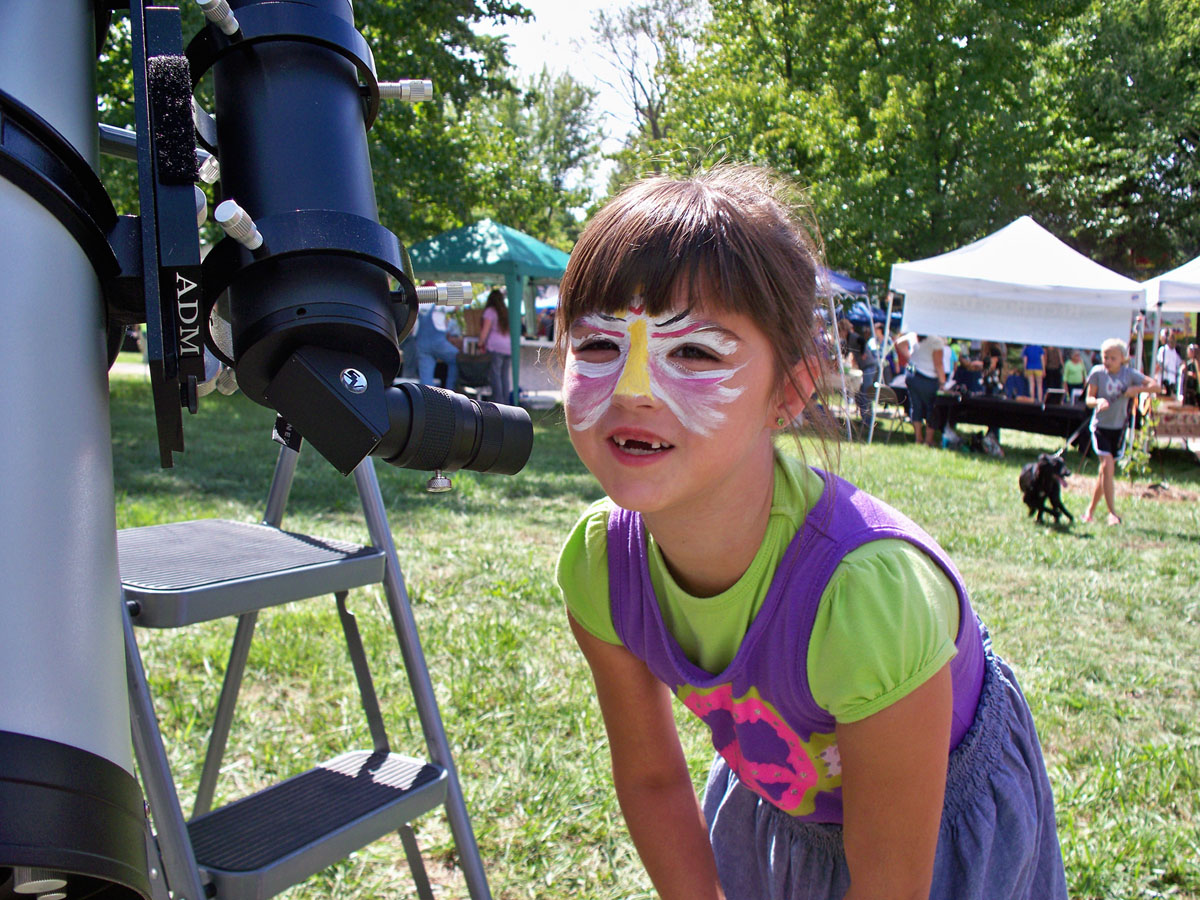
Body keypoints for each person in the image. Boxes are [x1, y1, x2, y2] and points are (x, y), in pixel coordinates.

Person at [554, 166, 1066, 900]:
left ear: (788, 394)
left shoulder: (866, 596)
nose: (633, 387)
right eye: (598, 345)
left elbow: (892, 883)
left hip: (939, 819)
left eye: (694, 351)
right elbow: (651, 776)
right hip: (779, 795)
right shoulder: (599, 567)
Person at [1083, 338, 1160, 525]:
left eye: (1112, 358)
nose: (1107, 361)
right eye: (1105, 357)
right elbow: (1089, 399)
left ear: (1123, 359)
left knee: (1105, 473)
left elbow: (1156, 386)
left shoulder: (1129, 374)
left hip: (1118, 428)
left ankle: (1090, 510)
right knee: (1107, 467)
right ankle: (1112, 514)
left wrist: (1137, 389)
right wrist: (1098, 402)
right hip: (1100, 427)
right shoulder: (1097, 373)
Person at [907, 333, 946, 446]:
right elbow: (938, 363)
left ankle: (918, 438)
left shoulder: (914, 336)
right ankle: (928, 440)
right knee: (932, 409)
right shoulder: (936, 341)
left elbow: (899, 343)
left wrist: (909, 359)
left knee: (916, 407)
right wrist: (943, 383)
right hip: (928, 379)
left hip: (912, 375)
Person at [415, 299, 462, 390]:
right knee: (457, 358)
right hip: (438, 342)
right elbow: (456, 307)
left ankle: (428, 400)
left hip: (422, 344)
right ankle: (450, 392)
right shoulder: (439, 303)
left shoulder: (419, 305)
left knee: (426, 379)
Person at [476, 288, 513, 404]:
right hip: (508, 347)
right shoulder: (506, 311)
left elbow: (485, 331)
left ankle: (498, 402)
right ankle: (505, 402)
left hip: (495, 347)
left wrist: (480, 343)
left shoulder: (490, 311)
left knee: (495, 375)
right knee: (504, 376)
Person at [1153, 329, 1182, 398]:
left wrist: (1155, 376)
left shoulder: (1163, 350)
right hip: (1172, 380)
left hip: (1164, 380)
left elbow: (1160, 364)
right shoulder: (1174, 351)